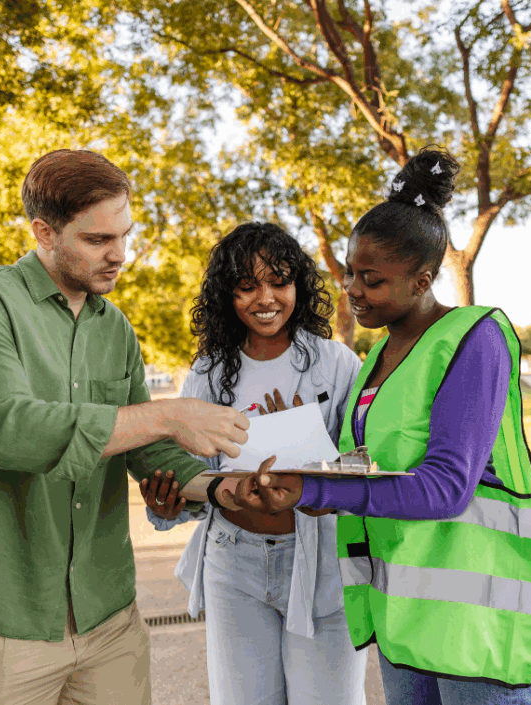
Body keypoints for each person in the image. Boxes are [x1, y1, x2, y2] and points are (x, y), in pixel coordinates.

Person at [226, 148, 531, 705]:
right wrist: (296, 460)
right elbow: (374, 467)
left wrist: (318, 488)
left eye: (371, 279)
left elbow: (448, 487)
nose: (351, 290)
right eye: (351, 273)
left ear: (423, 279)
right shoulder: (376, 359)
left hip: (479, 625)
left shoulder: (473, 339)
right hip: (403, 616)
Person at [0, 149, 249, 705]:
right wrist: (169, 413)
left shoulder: (116, 328)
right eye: (99, 240)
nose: (120, 254)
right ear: (44, 232)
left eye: (124, 235)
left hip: (109, 619)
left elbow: (148, 454)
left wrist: (227, 488)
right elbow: (11, 431)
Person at [140, 222, 368, 705]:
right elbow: (192, 474)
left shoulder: (336, 363)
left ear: (298, 286)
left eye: (279, 281)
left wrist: (302, 450)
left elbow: (364, 465)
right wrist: (169, 504)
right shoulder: (207, 373)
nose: (265, 297)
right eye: (247, 286)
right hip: (234, 560)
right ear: (227, 294)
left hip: (320, 561)